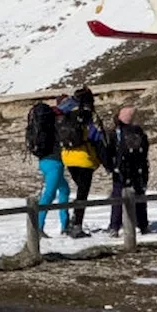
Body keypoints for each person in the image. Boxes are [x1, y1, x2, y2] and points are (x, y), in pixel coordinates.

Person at [58, 89, 105, 238]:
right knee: (82, 193)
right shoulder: (87, 114)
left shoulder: (64, 110)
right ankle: (76, 225)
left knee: (80, 190)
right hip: (84, 158)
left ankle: (71, 221)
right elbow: (96, 138)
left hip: (67, 156)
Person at [26, 100, 70, 237]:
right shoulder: (54, 124)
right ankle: (38, 227)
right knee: (49, 194)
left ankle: (65, 225)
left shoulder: (44, 124)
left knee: (64, 190)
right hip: (54, 163)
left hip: (46, 161)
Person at [107, 106, 150, 237]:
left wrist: (111, 165)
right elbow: (146, 149)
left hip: (121, 170)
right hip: (138, 169)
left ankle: (114, 226)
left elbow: (109, 150)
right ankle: (143, 224)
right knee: (139, 196)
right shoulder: (139, 132)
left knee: (118, 198)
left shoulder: (116, 132)